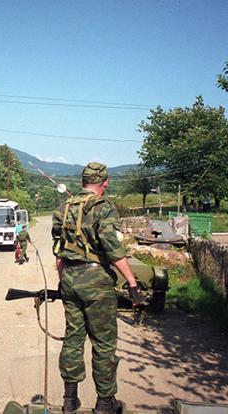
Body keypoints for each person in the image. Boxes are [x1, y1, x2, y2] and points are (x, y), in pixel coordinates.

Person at [51, 162, 144, 414]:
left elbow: (59, 252)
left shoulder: (64, 207)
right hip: (96, 283)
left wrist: (63, 282)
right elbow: (114, 251)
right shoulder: (103, 208)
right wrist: (133, 285)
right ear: (104, 182)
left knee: (73, 339)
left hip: (70, 279)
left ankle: (69, 401)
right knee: (103, 343)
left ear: (83, 182)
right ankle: (105, 403)